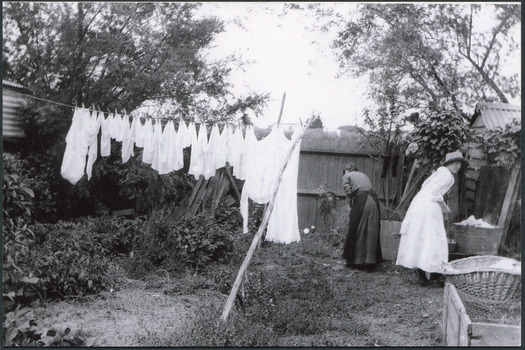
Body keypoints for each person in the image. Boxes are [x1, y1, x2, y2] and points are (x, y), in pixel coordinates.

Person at [395, 150, 468, 285]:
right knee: (435, 238)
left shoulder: (439, 172)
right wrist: (444, 207)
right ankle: (435, 275)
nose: (458, 166)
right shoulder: (448, 176)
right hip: (428, 206)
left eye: (460, 164)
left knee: (421, 236)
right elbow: (435, 193)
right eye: (456, 163)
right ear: (450, 163)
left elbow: (425, 187)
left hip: (418, 204)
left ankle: (424, 276)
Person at [342, 163, 382, 270]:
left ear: (348, 170)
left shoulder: (347, 176)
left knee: (356, 228)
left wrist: (349, 206)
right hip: (374, 201)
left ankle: (355, 261)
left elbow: (348, 192)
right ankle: (370, 262)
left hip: (362, 200)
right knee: (371, 230)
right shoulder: (363, 175)